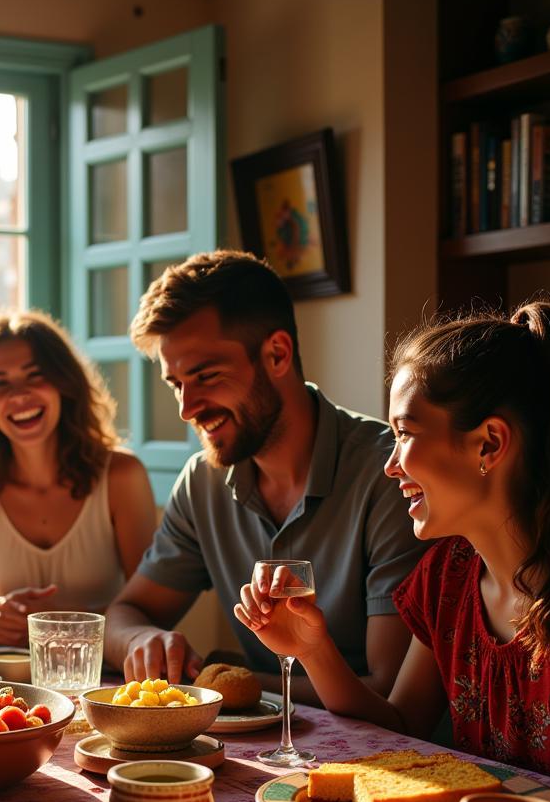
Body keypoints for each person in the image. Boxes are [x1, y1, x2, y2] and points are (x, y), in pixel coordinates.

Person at [235, 303, 550, 777]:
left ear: (489, 443)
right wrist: (312, 649)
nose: (391, 465)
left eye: (404, 433)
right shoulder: (446, 580)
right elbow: (401, 726)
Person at [105, 250, 426, 703]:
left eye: (206, 375)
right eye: (176, 383)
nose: (186, 407)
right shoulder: (203, 481)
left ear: (277, 354)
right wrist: (140, 639)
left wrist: (229, 682)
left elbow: (386, 691)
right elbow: (125, 611)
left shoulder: (390, 475)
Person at [0, 309, 156, 648]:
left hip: (103, 675)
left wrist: (60, 617)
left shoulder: (122, 476)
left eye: (35, 376)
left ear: (65, 383)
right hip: (10, 678)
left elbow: (152, 606)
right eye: (0, 384)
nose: (19, 396)